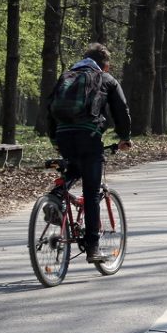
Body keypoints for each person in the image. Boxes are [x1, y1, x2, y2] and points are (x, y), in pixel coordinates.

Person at [47, 43, 132, 263]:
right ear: (105, 65)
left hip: (64, 135)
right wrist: (124, 138)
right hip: (89, 136)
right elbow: (121, 109)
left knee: (75, 166)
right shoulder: (106, 79)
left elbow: (50, 107)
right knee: (92, 192)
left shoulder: (66, 77)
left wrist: (55, 138)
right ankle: (93, 247)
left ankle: (57, 194)